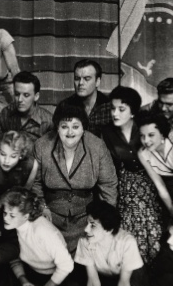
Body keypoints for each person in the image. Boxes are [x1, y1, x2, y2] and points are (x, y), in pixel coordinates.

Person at [34, 103, 118, 253]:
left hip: (86, 218)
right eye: (64, 126)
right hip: (50, 216)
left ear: (83, 128)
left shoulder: (97, 146)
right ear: (57, 127)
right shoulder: (42, 145)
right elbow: (35, 182)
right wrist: (42, 208)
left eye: (75, 126)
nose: (70, 132)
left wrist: (102, 221)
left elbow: (108, 185)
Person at [100, 87, 163, 265]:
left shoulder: (144, 129)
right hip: (125, 185)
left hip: (150, 183)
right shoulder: (107, 133)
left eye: (121, 109)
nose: (115, 113)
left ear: (133, 111)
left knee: (154, 233)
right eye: (113, 109)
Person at [3, 187, 79, 286]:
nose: (6, 218)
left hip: (62, 279)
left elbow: (66, 265)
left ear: (26, 216)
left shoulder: (43, 231)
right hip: (33, 275)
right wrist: (23, 279)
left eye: (12, 215)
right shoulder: (10, 228)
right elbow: (14, 259)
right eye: (4, 213)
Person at [74, 201, 146, 286]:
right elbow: (93, 284)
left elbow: (123, 285)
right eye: (87, 223)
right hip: (105, 278)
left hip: (132, 280)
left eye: (92, 225)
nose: (86, 229)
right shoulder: (84, 241)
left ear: (108, 230)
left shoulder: (127, 242)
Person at [136, 110, 173, 215]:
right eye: (142, 136)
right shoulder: (143, 153)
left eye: (151, 135)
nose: (146, 141)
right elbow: (160, 186)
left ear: (162, 133)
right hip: (166, 191)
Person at [58, 59, 112, 137]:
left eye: (87, 79)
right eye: (77, 78)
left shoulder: (109, 107)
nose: (80, 83)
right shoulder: (64, 106)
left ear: (97, 82)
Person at [0, 71, 54, 142]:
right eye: (17, 94)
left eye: (26, 95)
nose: (20, 99)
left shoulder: (48, 122)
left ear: (36, 96)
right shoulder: (6, 113)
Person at [0, 130, 40, 199]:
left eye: (13, 156)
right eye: (3, 154)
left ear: (21, 155)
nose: (7, 161)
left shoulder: (30, 165)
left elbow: (25, 195)